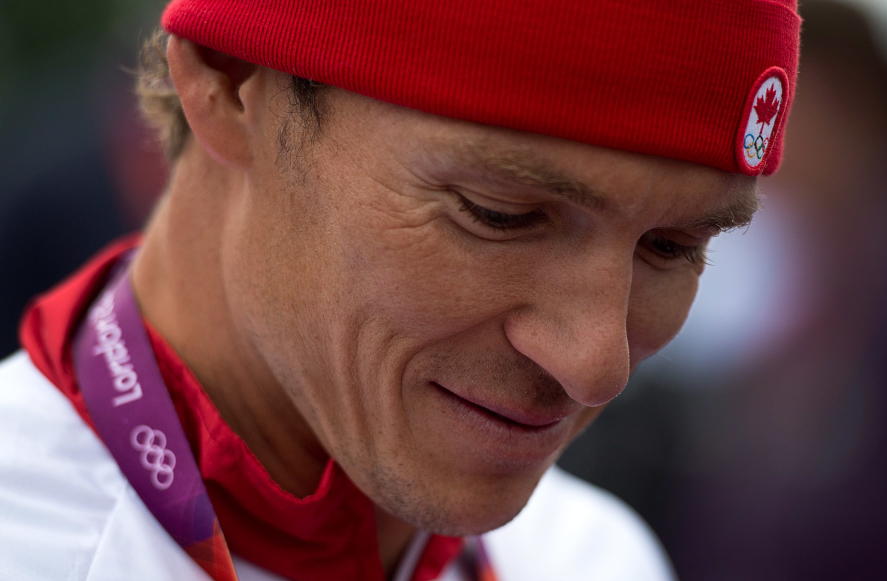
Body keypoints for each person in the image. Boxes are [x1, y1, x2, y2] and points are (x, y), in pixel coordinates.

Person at [0, 1, 801, 579]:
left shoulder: (593, 557)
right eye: (502, 214)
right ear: (229, 81)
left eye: (672, 246)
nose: (597, 364)